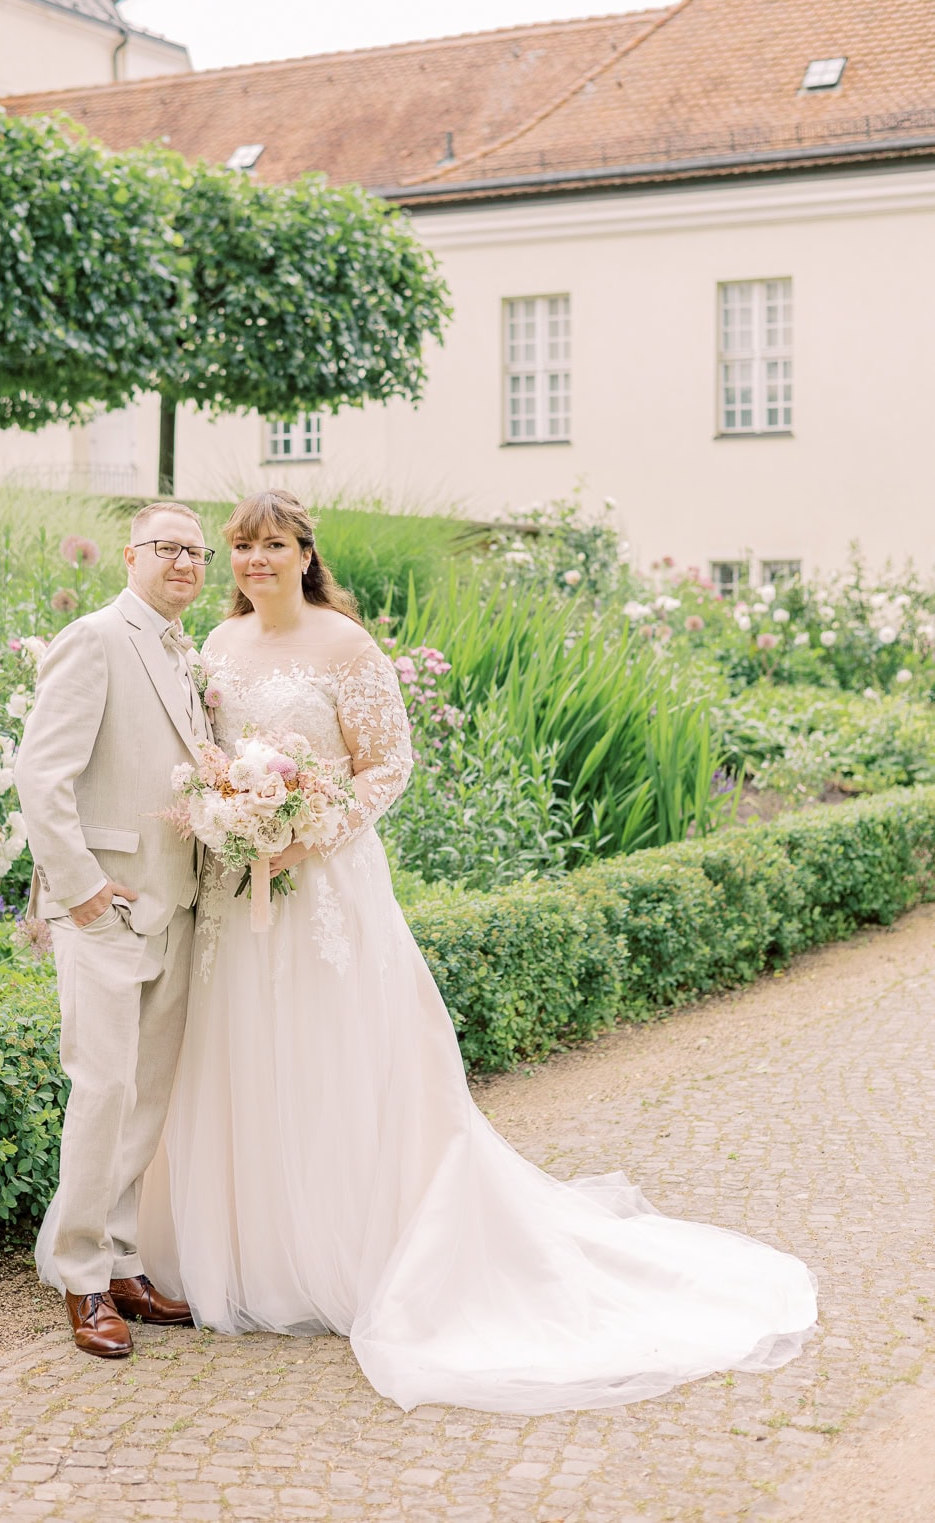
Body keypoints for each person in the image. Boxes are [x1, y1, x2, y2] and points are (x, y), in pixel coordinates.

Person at [102, 487, 817, 1413]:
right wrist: (230, 818)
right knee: (236, 1056)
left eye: (273, 544)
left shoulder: (346, 646)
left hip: (324, 890)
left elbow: (388, 764)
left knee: (332, 1058)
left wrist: (304, 830)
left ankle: (341, 1250)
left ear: (306, 553)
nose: (254, 561)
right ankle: (232, 1252)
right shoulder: (219, 649)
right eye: (242, 546)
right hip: (236, 900)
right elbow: (206, 758)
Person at [18, 501, 214, 1358]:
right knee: (101, 1090)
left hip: (176, 906)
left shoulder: (182, 650)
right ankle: (81, 1276)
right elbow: (40, 772)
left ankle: (125, 1258)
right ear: (130, 554)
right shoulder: (96, 638)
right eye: (170, 547)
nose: (185, 563)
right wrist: (82, 888)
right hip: (106, 905)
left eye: (197, 553)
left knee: (146, 1097)